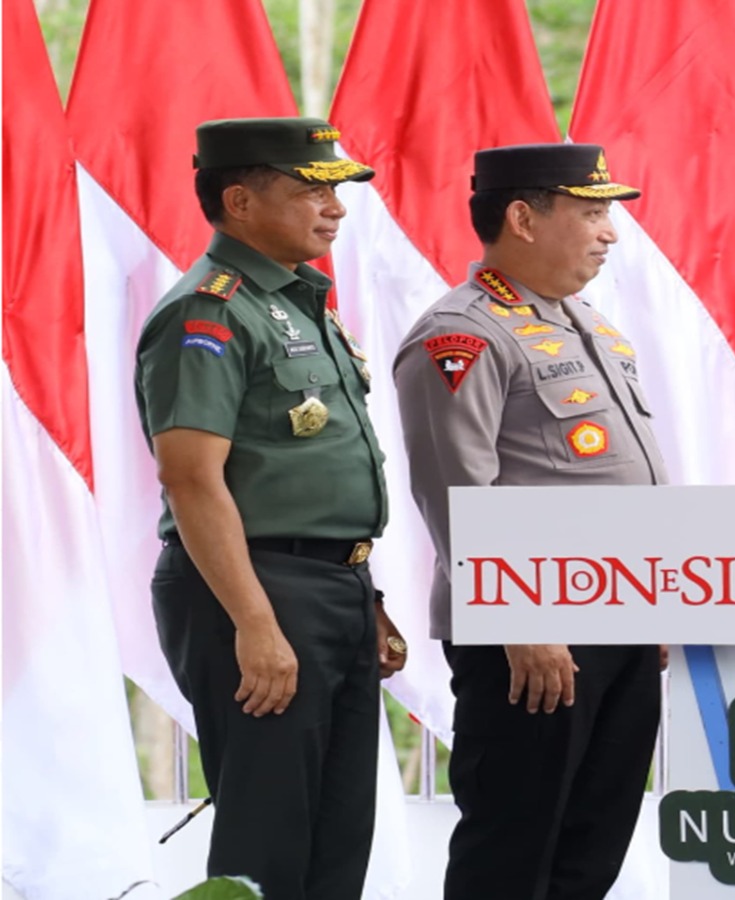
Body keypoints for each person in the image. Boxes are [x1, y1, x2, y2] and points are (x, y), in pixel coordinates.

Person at [135, 117, 406, 900]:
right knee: (269, 839)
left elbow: (309, 472)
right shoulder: (209, 312)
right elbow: (191, 479)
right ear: (240, 201)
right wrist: (255, 624)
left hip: (330, 588)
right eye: (312, 191)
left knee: (337, 837)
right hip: (253, 589)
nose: (335, 208)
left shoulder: (299, 302)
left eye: (336, 192)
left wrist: (363, 594)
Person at [393, 143, 664, 900]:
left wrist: (659, 601)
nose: (610, 231)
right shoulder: (461, 334)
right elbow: (456, 490)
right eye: (592, 211)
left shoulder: (588, 323)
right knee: (513, 846)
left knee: (592, 842)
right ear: (523, 217)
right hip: (534, 631)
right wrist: (520, 616)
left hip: (622, 615)